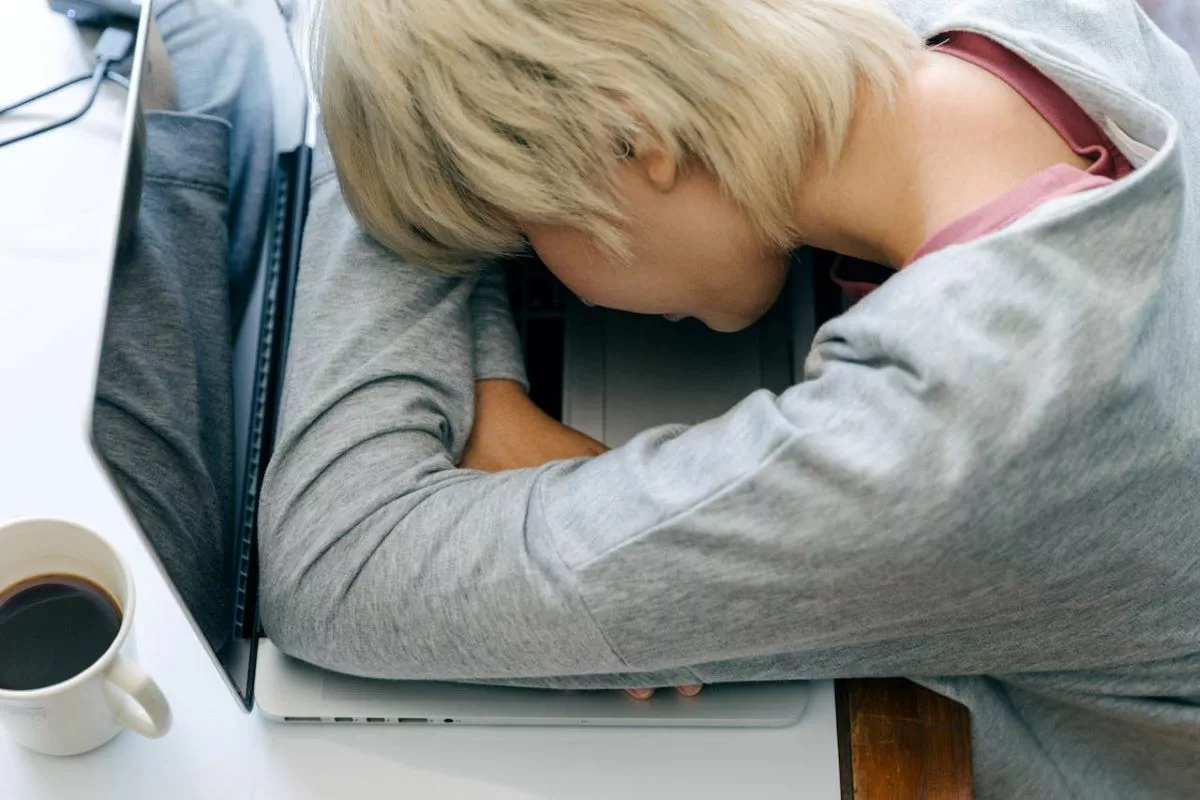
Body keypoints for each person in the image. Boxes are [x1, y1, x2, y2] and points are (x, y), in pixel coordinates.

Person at [257, 0, 1200, 797]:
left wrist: (415, 118)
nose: (551, 280)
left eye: (515, 227)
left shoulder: (948, 433)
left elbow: (336, 557)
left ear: (634, 141)